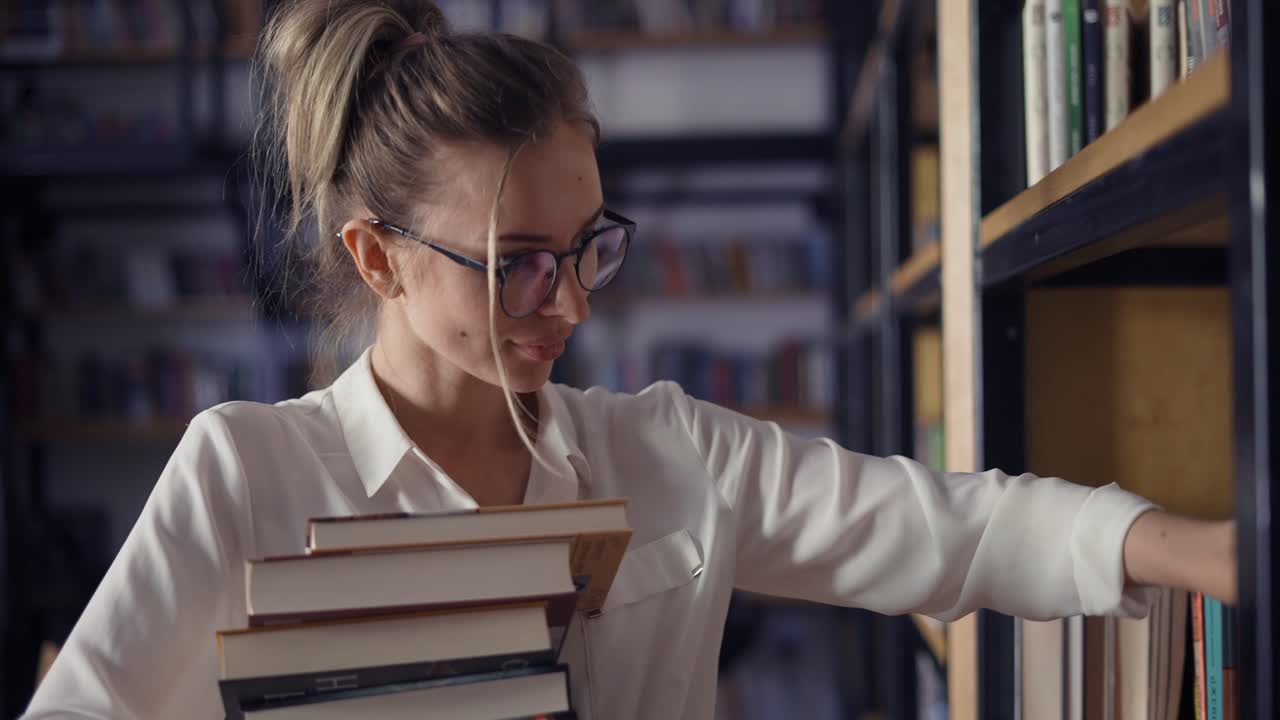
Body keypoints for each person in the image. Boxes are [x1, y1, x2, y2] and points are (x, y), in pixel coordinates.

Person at [22, 2, 1237, 719]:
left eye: (586, 246)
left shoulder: (663, 452)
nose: (565, 304)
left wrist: (1222, 555)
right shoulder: (243, 472)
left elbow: (952, 530)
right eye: (512, 262)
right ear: (377, 259)